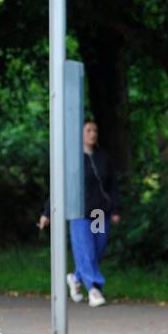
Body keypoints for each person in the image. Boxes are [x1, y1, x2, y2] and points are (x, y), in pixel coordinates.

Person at [38, 119, 121, 307]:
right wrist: (47, 212)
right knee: (86, 250)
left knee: (97, 250)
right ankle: (94, 289)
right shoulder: (72, 160)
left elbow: (112, 186)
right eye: (88, 130)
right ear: (80, 134)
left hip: (99, 212)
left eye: (95, 130)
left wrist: (115, 208)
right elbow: (60, 186)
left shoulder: (103, 158)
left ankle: (76, 277)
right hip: (79, 212)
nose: (93, 134)